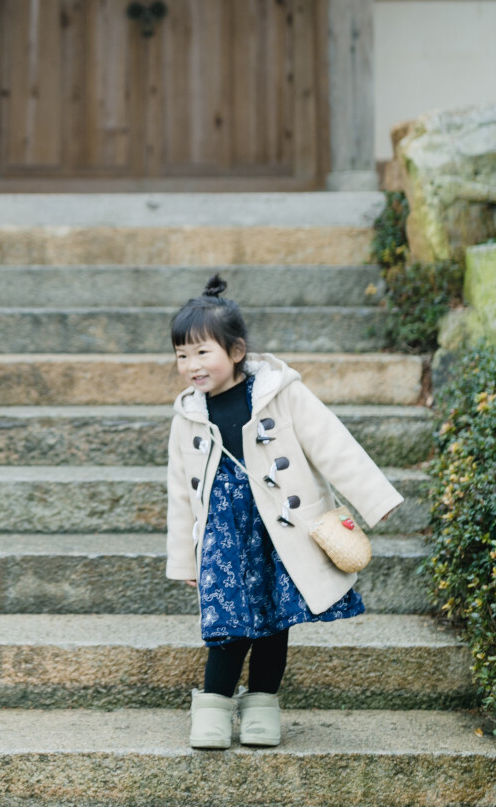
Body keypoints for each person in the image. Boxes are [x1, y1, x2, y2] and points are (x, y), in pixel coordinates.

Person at [166, 274, 404, 749]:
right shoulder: (188, 413)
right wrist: (185, 558)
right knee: (227, 622)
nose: (191, 364)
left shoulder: (280, 392)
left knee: (275, 621)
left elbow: (333, 445)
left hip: (279, 527)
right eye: (181, 355)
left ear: (235, 352)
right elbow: (179, 491)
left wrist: (375, 500)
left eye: (202, 352)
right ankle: (213, 708)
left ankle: (261, 707)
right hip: (222, 533)